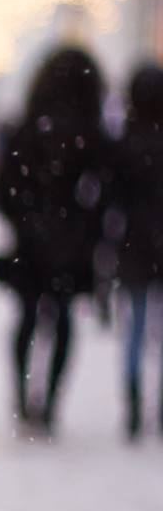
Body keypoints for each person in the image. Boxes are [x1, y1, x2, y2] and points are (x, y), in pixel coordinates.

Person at [0, 45, 110, 436]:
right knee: (60, 322)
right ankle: (50, 402)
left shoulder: (27, 130)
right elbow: (103, 194)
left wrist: (25, 221)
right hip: (71, 245)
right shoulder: (91, 135)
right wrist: (85, 230)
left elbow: (5, 188)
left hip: (32, 241)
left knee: (27, 319)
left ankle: (24, 395)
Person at [111, 64, 163, 440]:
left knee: (135, 328)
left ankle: (132, 403)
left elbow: (113, 200)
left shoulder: (125, 141)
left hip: (134, 246)